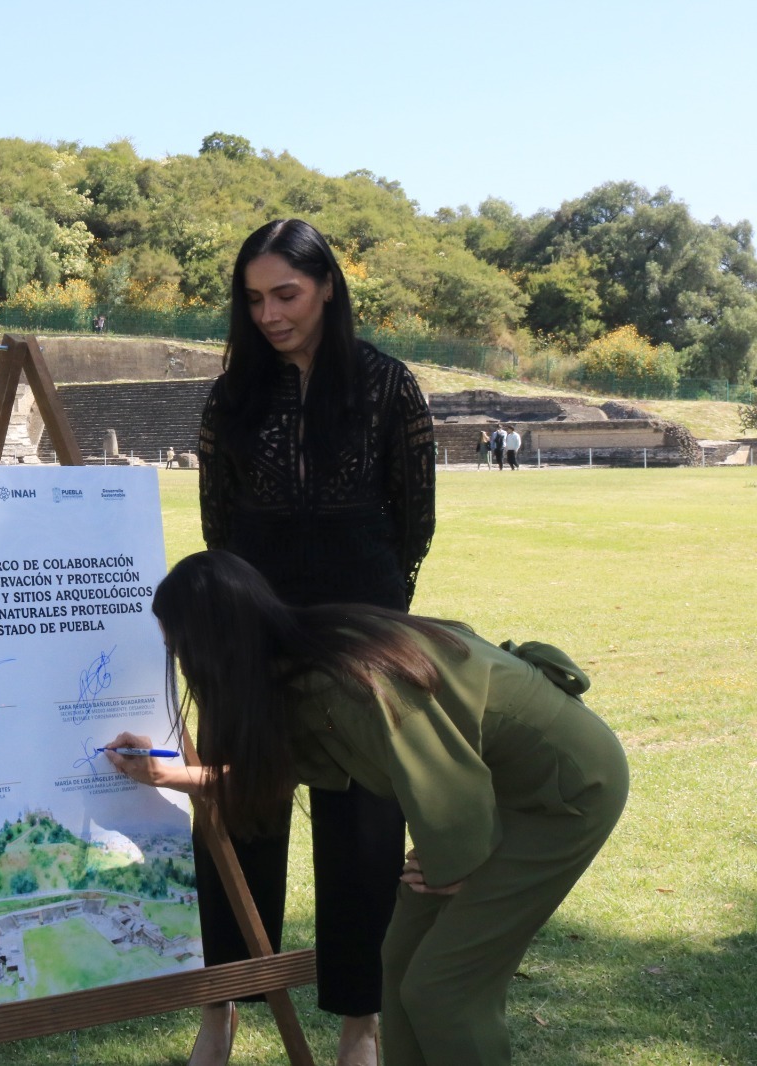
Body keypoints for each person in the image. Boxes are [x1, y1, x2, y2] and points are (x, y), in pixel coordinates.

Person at [106, 550, 628, 1066]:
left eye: (181, 647)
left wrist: (459, 863)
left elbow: (441, 773)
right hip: (491, 797)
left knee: (444, 990)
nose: (178, 660)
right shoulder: (299, 662)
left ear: (215, 646)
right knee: (397, 966)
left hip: (563, 793)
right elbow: (277, 773)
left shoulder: (348, 679)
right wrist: (169, 773)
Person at [195, 218, 434, 1065]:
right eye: (253, 298)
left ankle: (359, 1027)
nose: (269, 314)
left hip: (365, 642)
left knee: (363, 830)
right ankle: (220, 1011)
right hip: (251, 644)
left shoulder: (387, 388)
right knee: (237, 816)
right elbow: (218, 530)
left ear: (327, 285)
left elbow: (413, 524)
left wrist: (368, 625)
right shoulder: (230, 400)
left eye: (285, 294)